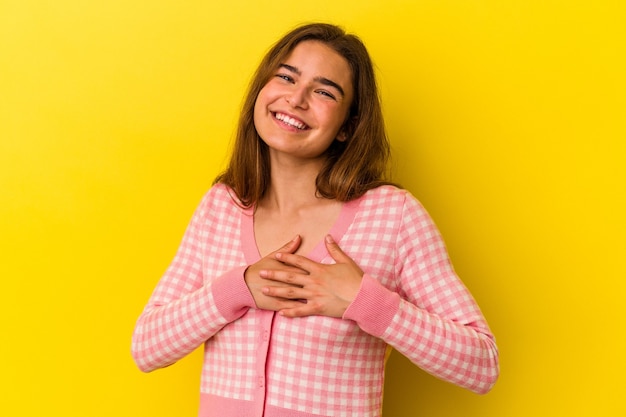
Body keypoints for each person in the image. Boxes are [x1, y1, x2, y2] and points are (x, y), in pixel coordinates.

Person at [131, 23, 499, 417]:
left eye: (324, 91)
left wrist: (365, 301)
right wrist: (237, 290)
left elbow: (481, 364)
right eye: (286, 77)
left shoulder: (392, 216)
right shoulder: (222, 206)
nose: (296, 98)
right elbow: (148, 348)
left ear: (348, 126)